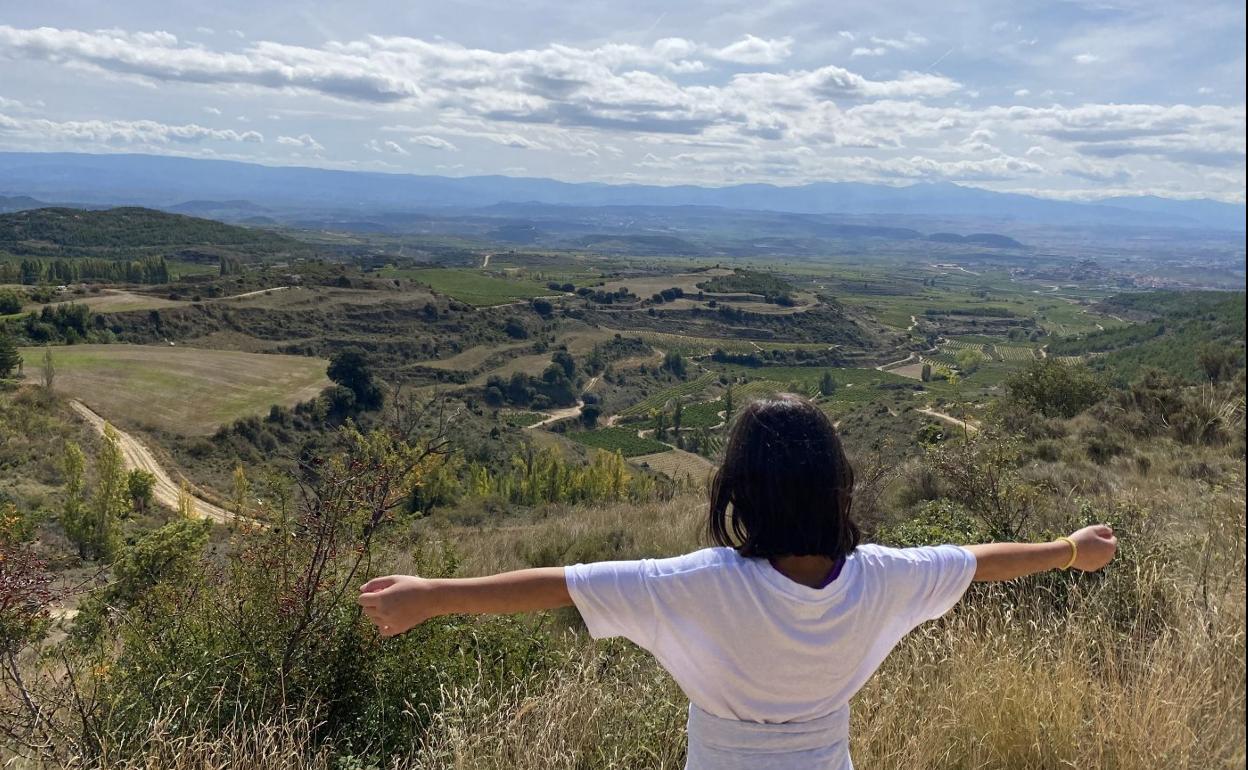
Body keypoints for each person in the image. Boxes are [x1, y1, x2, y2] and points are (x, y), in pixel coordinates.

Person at [358, 394, 1117, 769]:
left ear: (738, 494)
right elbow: (979, 560)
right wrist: (1069, 548)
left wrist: (434, 596)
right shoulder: (884, 579)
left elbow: (559, 584)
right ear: (837, 489)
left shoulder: (696, 585)